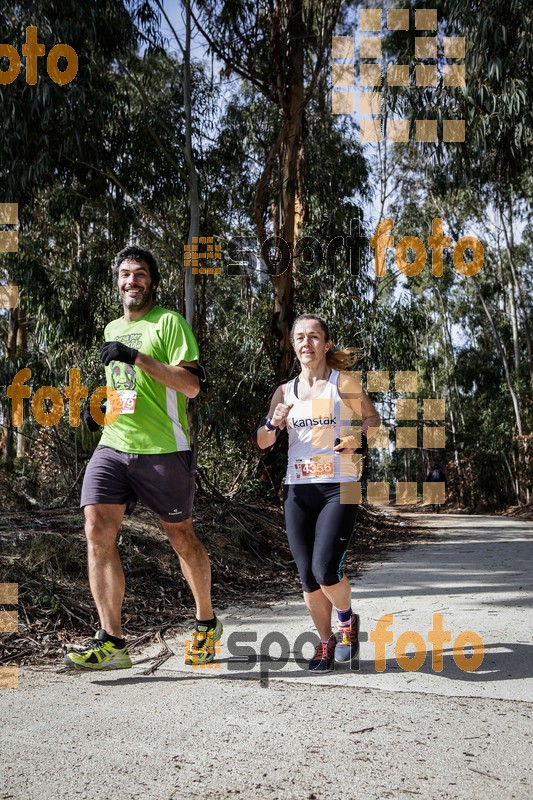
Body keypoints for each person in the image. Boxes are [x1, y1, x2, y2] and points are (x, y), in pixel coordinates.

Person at [65, 245, 221, 670]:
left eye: (139, 274)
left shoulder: (169, 323)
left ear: (152, 280)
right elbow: (123, 390)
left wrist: (135, 356)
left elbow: (190, 387)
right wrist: (100, 407)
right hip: (114, 445)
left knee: (181, 538)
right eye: (124, 274)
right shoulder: (112, 327)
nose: (131, 281)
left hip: (163, 449)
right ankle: (112, 641)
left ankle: (206, 622)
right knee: (96, 526)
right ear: (117, 282)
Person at [256, 314, 380, 672]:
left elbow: (373, 420)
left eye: (314, 337)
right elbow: (264, 441)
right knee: (308, 578)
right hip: (297, 490)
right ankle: (325, 643)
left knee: (326, 568)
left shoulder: (343, 383)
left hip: (339, 486)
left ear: (326, 345)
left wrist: (357, 438)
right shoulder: (285, 391)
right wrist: (272, 422)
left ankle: (346, 621)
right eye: (300, 338)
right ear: (294, 346)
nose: (306, 343)